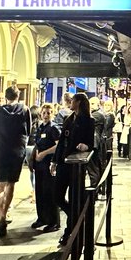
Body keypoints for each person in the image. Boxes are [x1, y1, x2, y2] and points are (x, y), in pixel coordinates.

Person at [0, 87, 31, 238]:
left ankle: (1, 218)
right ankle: (6, 210)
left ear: (5, 97)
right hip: (16, 152)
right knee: (10, 184)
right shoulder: (24, 109)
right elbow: (28, 130)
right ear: (18, 96)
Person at [54, 92, 95, 246]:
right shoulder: (68, 119)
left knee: (74, 197)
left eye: (73, 100)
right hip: (63, 162)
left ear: (78, 102)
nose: (70, 102)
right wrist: (54, 161)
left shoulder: (88, 121)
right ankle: (75, 216)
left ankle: (69, 231)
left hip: (76, 165)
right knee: (57, 196)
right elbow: (62, 142)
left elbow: (91, 143)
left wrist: (86, 146)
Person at [30, 103, 61, 232]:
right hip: (39, 165)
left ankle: (54, 222)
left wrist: (44, 153)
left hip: (49, 164)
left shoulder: (53, 128)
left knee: (50, 193)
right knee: (40, 192)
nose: (46, 115)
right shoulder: (40, 128)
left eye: (49, 113)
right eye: (44, 113)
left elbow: (58, 146)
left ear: (52, 114)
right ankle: (42, 218)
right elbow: (37, 144)